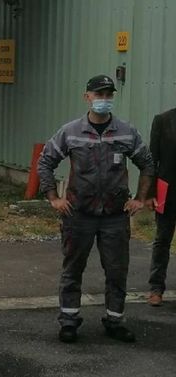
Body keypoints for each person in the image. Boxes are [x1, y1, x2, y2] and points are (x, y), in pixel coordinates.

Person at [38, 74, 154, 344]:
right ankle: (69, 321)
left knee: (116, 271)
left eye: (108, 95)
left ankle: (114, 320)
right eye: (98, 95)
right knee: (72, 270)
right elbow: (46, 161)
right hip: (78, 215)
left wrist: (140, 198)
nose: (103, 100)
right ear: (87, 97)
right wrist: (53, 198)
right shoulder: (71, 132)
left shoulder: (126, 131)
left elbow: (146, 163)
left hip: (115, 217)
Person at [146, 106, 176, 306]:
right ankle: (156, 288)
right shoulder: (163, 120)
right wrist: (149, 194)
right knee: (162, 240)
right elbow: (152, 159)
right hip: (168, 192)